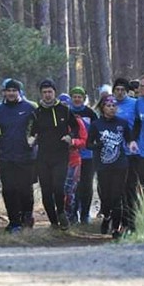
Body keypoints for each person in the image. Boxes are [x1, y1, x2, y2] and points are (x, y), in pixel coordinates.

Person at [0, 79, 37, 233]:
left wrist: (34, 140)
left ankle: (26, 217)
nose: (11, 93)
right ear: (4, 92)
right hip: (5, 156)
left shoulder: (30, 108)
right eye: (8, 91)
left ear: (19, 92)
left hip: (26, 156)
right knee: (8, 189)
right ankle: (14, 221)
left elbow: (38, 128)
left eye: (14, 91)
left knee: (24, 188)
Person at [30, 79, 80, 230]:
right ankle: (53, 222)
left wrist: (70, 137)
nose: (47, 95)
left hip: (60, 155)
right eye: (44, 92)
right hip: (43, 156)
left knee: (58, 187)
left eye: (50, 92)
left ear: (55, 93)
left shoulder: (64, 109)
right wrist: (32, 138)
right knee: (46, 190)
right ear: (41, 94)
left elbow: (76, 127)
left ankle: (61, 213)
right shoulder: (37, 112)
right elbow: (33, 130)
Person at [87, 95, 131, 239]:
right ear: (102, 108)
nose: (112, 108)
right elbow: (88, 144)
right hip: (102, 165)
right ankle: (106, 217)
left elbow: (129, 139)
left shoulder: (122, 123)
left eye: (114, 106)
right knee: (106, 197)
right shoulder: (96, 125)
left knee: (117, 197)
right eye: (108, 106)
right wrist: (97, 145)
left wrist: (133, 144)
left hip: (120, 164)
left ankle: (116, 228)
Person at [111, 77, 139, 232]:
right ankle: (119, 222)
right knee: (117, 189)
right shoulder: (109, 104)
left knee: (130, 187)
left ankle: (131, 222)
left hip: (132, 152)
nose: (120, 93)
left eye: (123, 90)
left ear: (127, 91)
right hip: (114, 152)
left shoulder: (135, 104)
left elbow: (140, 124)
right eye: (117, 90)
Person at [68, 86, 99, 224]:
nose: (77, 99)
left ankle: (85, 214)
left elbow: (97, 131)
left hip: (88, 154)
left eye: (79, 97)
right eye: (74, 96)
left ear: (84, 98)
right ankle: (72, 213)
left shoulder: (90, 113)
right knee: (72, 186)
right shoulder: (66, 112)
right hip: (72, 155)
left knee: (86, 185)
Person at [58, 93, 88, 225]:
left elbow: (84, 141)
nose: (64, 107)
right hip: (56, 161)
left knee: (70, 191)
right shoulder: (53, 120)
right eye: (61, 104)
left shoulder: (77, 120)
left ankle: (71, 217)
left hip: (73, 161)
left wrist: (73, 142)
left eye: (66, 104)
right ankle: (62, 216)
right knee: (58, 190)